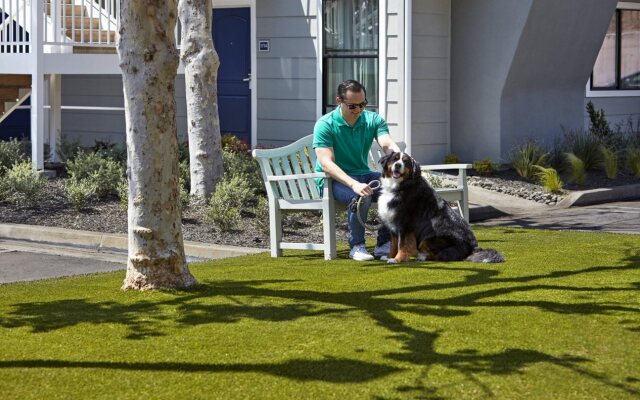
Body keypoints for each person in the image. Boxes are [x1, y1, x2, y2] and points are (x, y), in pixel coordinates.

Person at [313, 79, 402, 261]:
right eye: (353, 106)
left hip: (363, 174)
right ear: (339, 101)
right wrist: (354, 184)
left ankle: (384, 244)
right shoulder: (325, 124)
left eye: (363, 104)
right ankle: (357, 246)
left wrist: (399, 158)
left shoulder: (373, 120)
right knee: (362, 196)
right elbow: (326, 164)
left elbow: (386, 142)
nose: (359, 110)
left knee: (398, 190)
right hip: (332, 180)